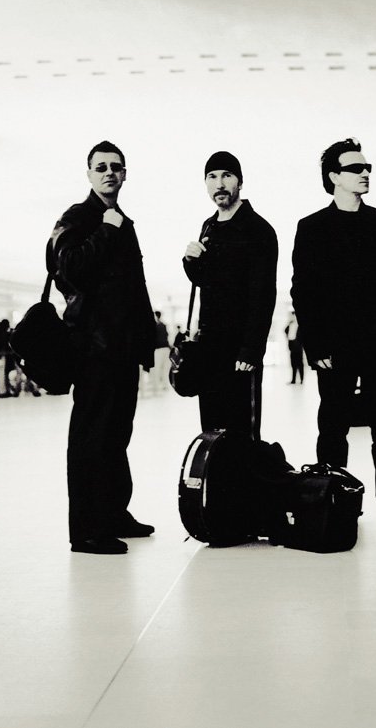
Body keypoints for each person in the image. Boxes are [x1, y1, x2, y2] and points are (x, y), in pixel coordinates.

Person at [291, 137, 376, 537]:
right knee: (333, 429)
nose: (365, 173)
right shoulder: (312, 228)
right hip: (335, 347)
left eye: (368, 168)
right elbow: (303, 292)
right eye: (355, 168)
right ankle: (334, 505)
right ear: (334, 176)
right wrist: (316, 346)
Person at [48, 140, 157, 556]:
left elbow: (134, 287)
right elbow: (69, 269)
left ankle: (113, 514)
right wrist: (106, 230)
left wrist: (145, 341)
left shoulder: (123, 221)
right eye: (101, 167)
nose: (109, 172)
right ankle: (87, 530)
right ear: (89, 174)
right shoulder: (78, 217)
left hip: (122, 347)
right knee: (91, 438)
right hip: (94, 348)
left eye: (116, 167)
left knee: (116, 436)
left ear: (125, 173)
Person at [183, 151, 278, 438]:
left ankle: (246, 471)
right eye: (212, 177)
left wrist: (251, 349)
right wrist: (190, 261)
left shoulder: (258, 230)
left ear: (240, 182)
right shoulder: (209, 226)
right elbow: (205, 281)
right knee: (212, 431)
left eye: (227, 175)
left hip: (239, 350)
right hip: (209, 347)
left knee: (242, 433)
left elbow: (263, 295)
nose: (219, 184)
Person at [284, 311, 304, 384]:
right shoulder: (290, 325)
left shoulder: (298, 325)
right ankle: (293, 380)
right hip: (292, 347)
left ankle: (301, 379)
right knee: (293, 364)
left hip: (298, 346)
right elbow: (286, 330)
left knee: (299, 364)